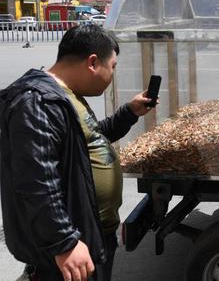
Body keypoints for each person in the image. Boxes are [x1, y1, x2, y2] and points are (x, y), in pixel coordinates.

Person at [0, 24, 155, 281]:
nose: (112, 74)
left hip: (90, 234)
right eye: (113, 66)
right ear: (93, 62)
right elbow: (36, 182)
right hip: (70, 248)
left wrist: (129, 113)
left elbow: (88, 141)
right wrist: (64, 242)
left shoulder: (67, 95)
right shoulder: (38, 102)